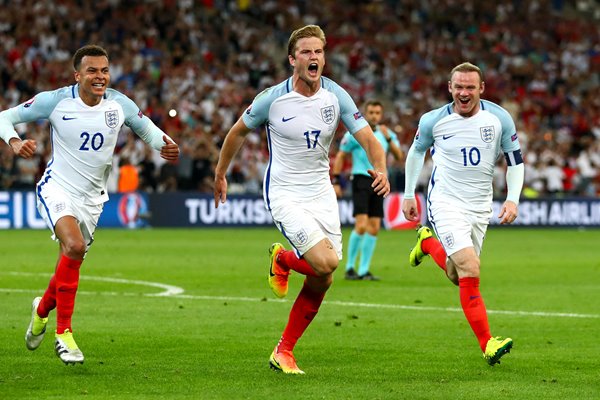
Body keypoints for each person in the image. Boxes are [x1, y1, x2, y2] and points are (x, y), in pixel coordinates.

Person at [214, 25, 390, 374]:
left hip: (320, 192)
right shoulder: (272, 99)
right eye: (307, 52)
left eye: (319, 52)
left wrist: (381, 168)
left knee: (324, 276)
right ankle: (282, 258)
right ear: (292, 59)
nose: (314, 58)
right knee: (325, 263)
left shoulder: (336, 96)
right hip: (285, 192)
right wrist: (221, 174)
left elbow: (369, 138)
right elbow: (237, 133)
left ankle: (284, 351)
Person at [0, 44, 180, 364]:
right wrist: (15, 141)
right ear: (78, 75)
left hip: (93, 199)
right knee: (74, 245)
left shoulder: (118, 104)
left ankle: (41, 311)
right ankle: (63, 334)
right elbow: (5, 118)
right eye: (93, 71)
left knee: (69, 260)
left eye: (105, 71)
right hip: (58, 188)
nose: (100, 77)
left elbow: (145, 128)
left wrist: (163, 144)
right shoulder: (55, 101)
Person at [401, 62, 524, 366]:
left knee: (459, 275)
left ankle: (428, 244)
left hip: (480, 206)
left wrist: (512, 199)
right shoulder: (433, 121)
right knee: (470, 267)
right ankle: (488, 344)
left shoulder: (499, 119)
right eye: (459, 87)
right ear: (450, 88)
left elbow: (515, 161)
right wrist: (408, 193)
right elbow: (416, 152)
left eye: (470, 87)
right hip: (445, 202)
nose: (464, 92)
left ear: (481, 88)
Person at [332, 99, 403, 280]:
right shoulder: (357, 133)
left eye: (377, 113)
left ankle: (363, 270)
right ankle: (349, 268)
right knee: (361, 225)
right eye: (371, 112)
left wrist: (388, 138)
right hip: (361, 180)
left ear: (381, 114)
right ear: (365, 113)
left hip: (379, 181)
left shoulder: (386, 134)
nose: (374, 116)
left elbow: (399, 156)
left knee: (374, 227)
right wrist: (336, 181)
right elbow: (341, 155)